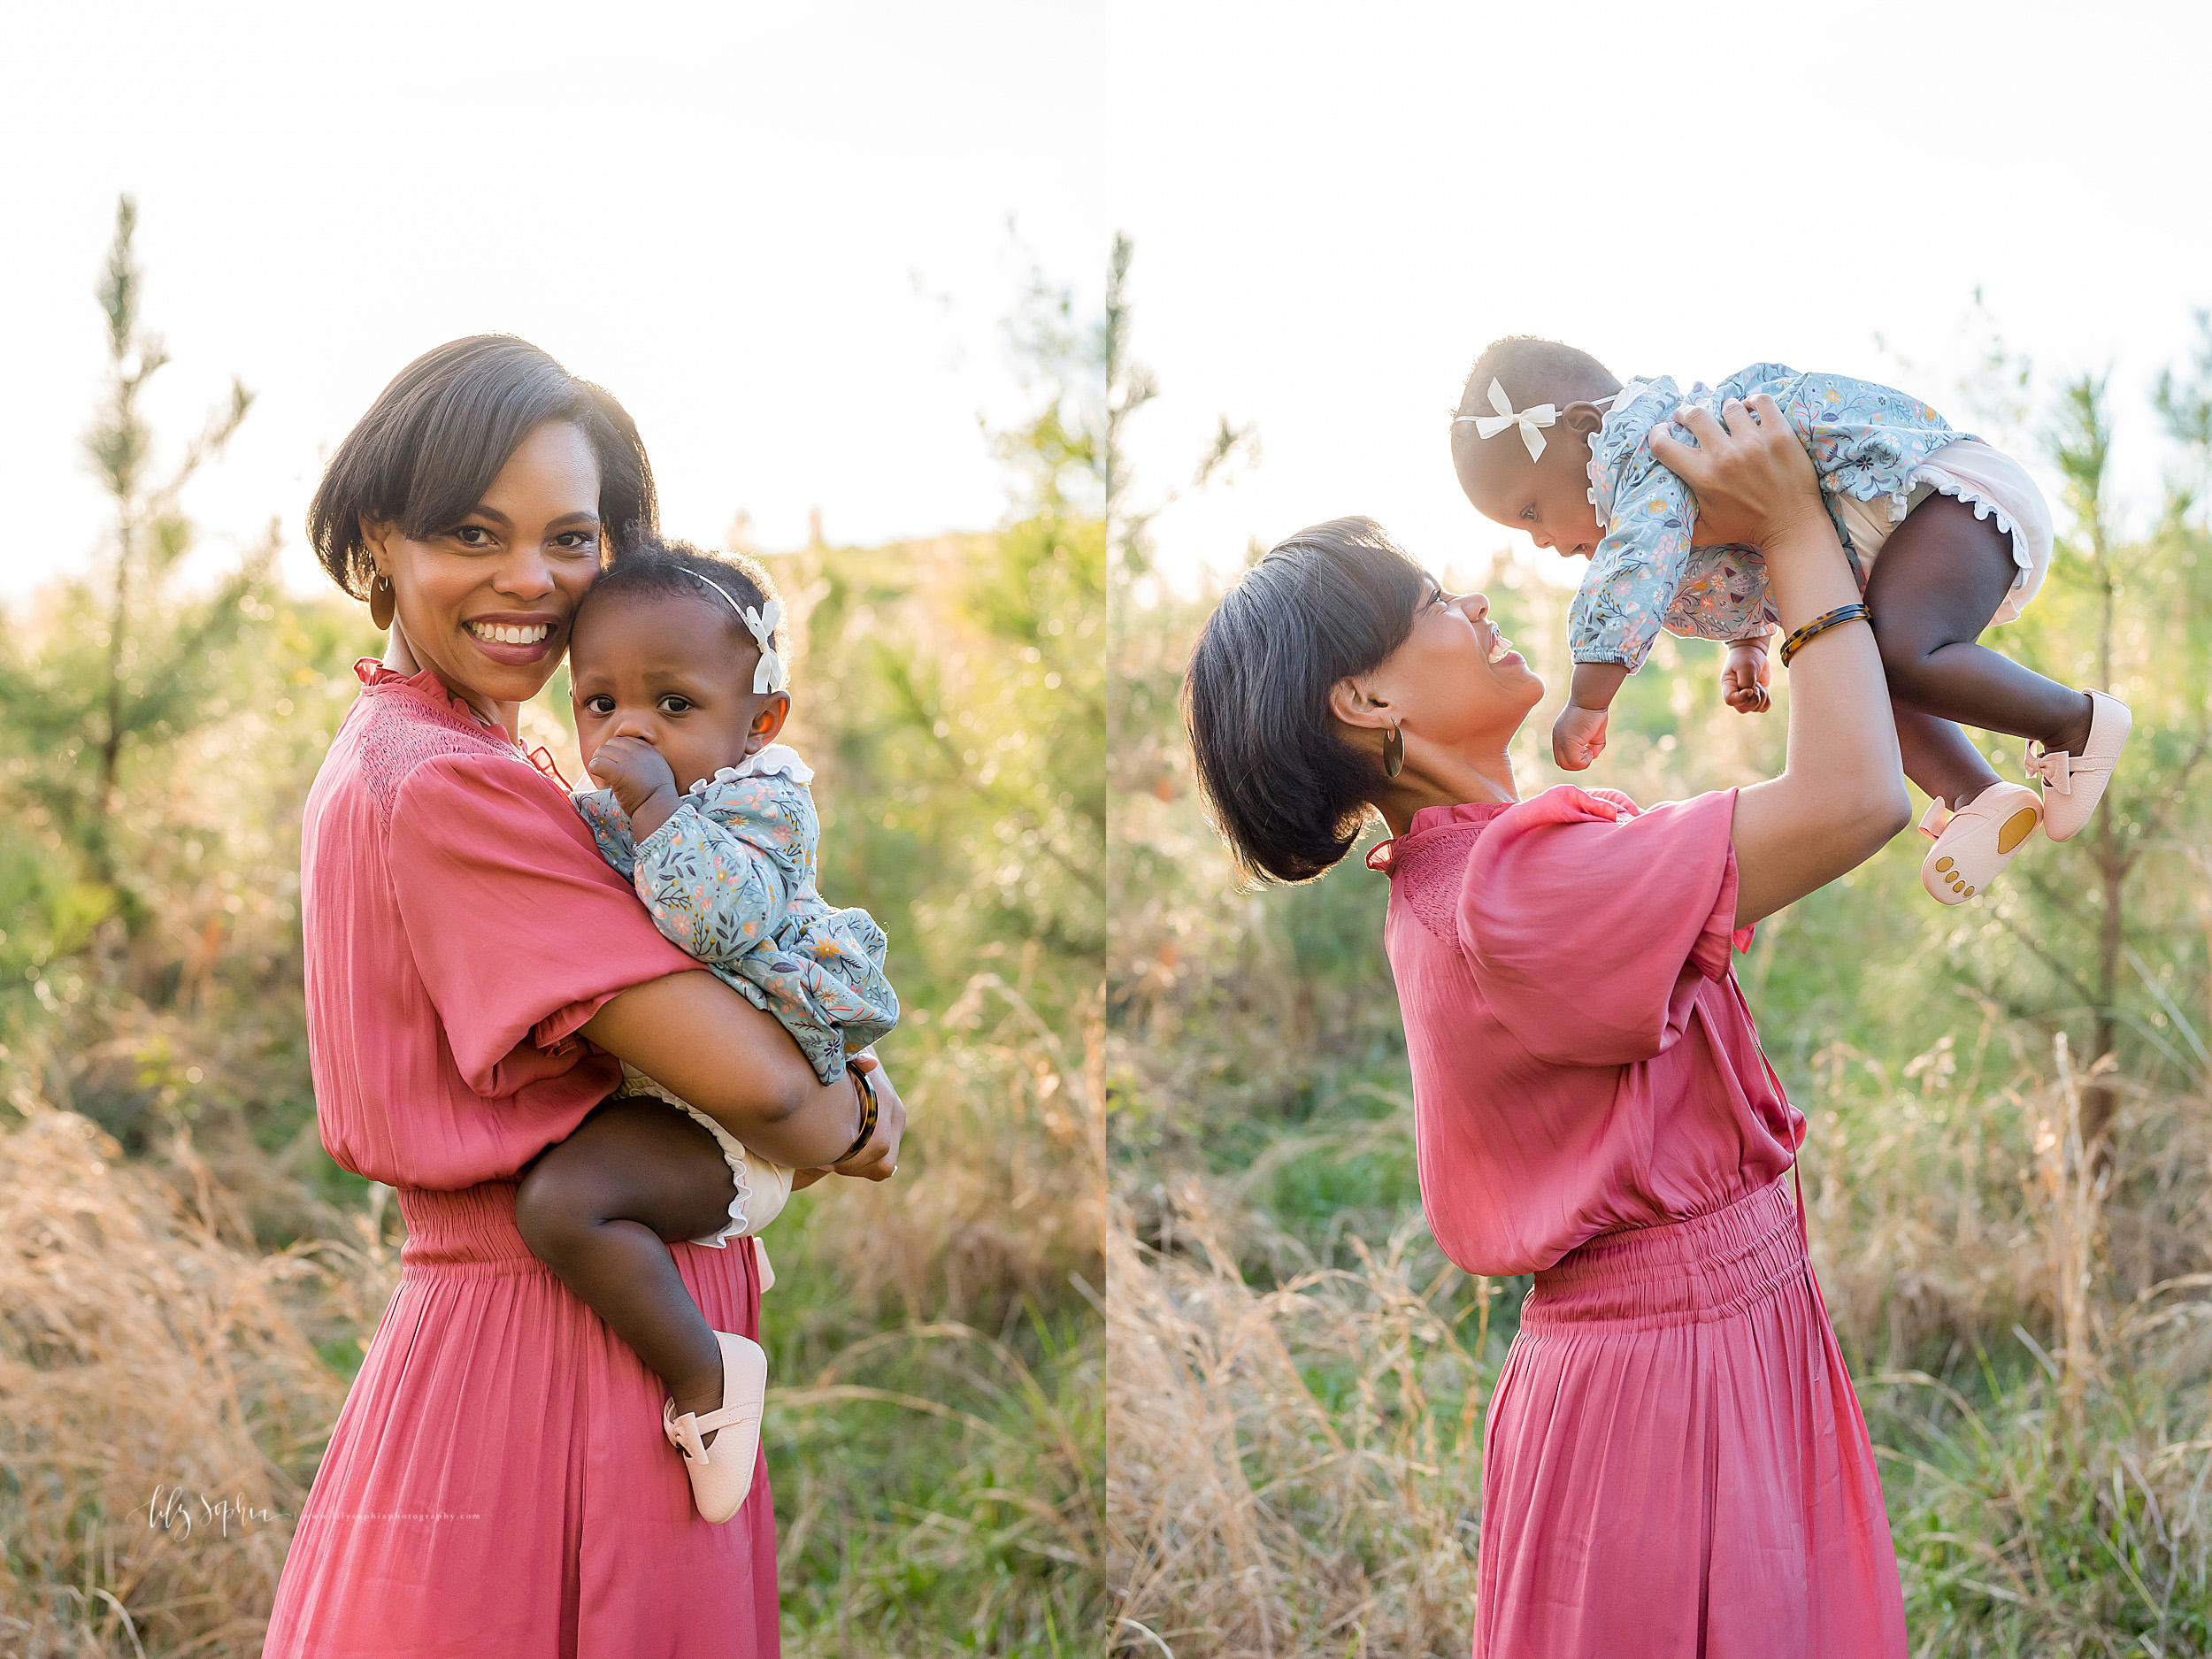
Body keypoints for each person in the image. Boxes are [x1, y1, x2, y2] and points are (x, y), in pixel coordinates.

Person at [1184, 396, 1911, 1655]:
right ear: (1364, 698)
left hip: (1693, 1356)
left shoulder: (1465, 872)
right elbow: (1856, 796)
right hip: (1673, 1395)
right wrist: (1797, 531)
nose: (1470, 601)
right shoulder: (1515, 891)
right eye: (1427, 605)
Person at [268, 335, 902, 1658]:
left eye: (572, 534)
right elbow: (771, 1092)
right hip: (551, 1351)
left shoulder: (453, 750)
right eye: (471, 531)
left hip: (569, 1313)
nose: (532, 579)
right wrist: (853, 1108)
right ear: (380, 541)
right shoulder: (449, 781)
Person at [1449, 335, 2130, 904]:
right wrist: (1746, 644)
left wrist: (1588, 698)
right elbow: (1745, 556)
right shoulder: (1669, 477)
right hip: (1901, 537)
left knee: (1896, 650)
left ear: (1583, 429)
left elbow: (1634, 573)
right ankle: (1978, 797)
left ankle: (2075, 722)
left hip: (1935, 493)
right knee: (1863, 666)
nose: (1539, 540)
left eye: (1531, 510)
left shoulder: (1651, 450)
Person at [517, 536, 898, 1525]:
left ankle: (709, 1380)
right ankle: (719, 1252)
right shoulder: (614, 802)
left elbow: (713, 921)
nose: (629, 731)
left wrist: (648, 807)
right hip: (681, 1092)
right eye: (600, 703)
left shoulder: (762, 805)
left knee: (564, 1205)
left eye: (674, 705)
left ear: (757, 723)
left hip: (740, 1118)